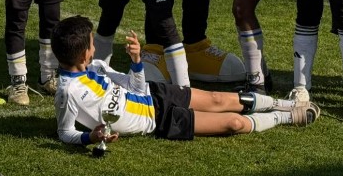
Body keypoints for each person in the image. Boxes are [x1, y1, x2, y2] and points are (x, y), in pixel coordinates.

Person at [52, 15, 319, 145]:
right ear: (84, 53)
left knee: (218, 99)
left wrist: (136, 62)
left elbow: (134, 87)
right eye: (91, 44)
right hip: (157, 121)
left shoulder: (98, 67)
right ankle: (286, 117)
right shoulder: (67, 92)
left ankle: (282, 104)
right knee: (233, 122)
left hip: (157, 93)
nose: (95, 48)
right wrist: (90, 136)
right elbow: (65, 132)